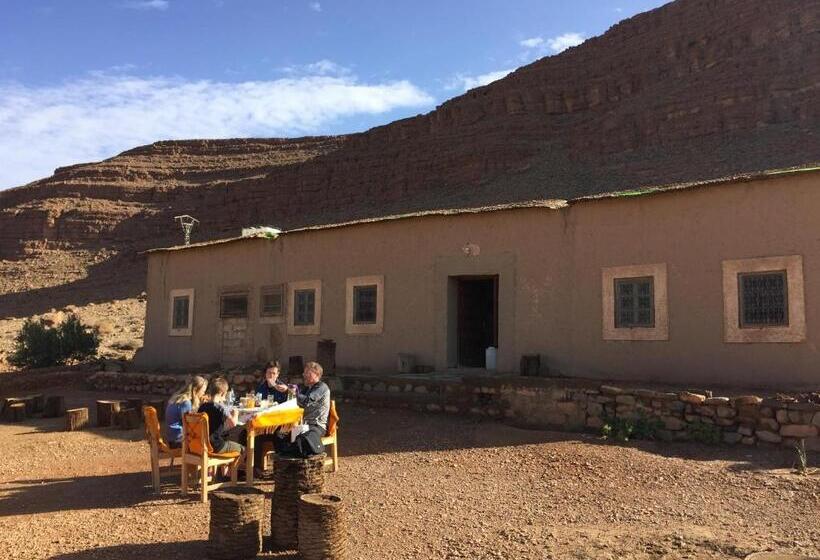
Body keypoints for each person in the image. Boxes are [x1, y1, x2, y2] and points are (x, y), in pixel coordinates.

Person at [276, 361, 330, 457]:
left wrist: (290, 391)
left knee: (300, 441)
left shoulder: (322, 387)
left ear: (316, 374)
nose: (304, 375)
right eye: (304, 373)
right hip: (302, 424)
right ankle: (284, 464)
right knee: (279, 436)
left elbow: (307, 401)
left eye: (307, 373)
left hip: (316, 426)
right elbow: (295, 402)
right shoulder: (307, 388)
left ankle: (293, 463)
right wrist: (286, 391)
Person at [197, 376, 244, 455]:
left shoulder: (202, 406)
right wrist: (236, 414)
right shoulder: (221, 408)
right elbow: (233, 424)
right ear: (222, 393)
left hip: (201, 445)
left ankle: (224, 467)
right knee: (244, 450)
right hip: (216, 446)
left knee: (224, 437)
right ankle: (232, 468)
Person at [164, 375, 208, 449]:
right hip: (178, 441)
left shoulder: (178, 397)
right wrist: (202, 407)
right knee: (208, 442)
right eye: (203, 391)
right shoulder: (185, 402)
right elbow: (190, 424)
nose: (203, 394)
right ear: (196, 390)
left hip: (172, 438)